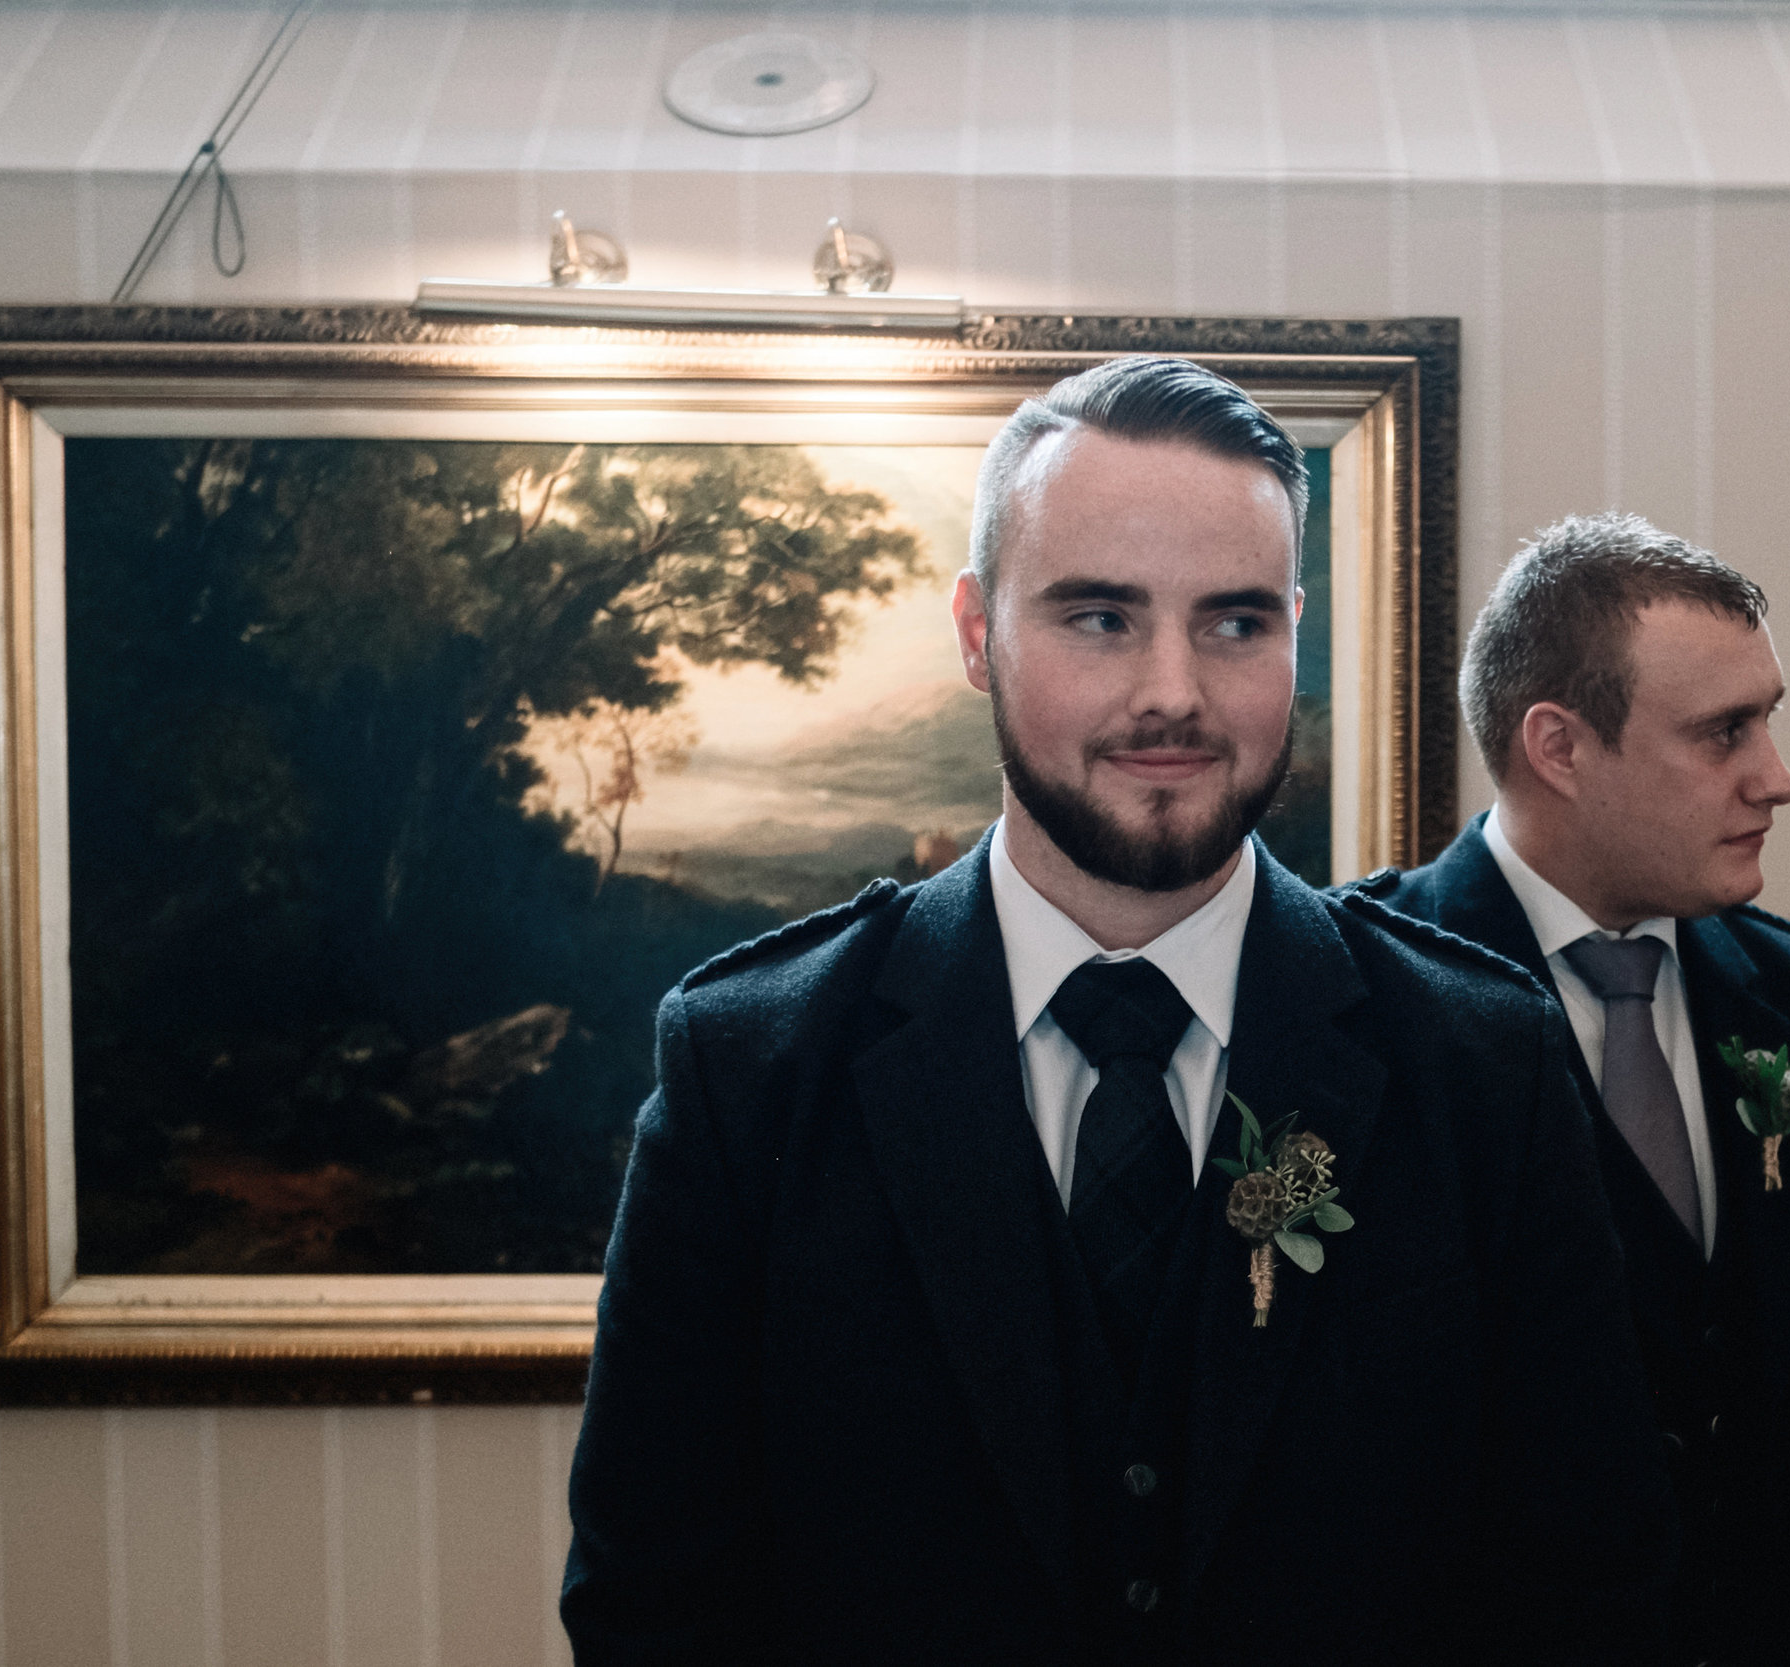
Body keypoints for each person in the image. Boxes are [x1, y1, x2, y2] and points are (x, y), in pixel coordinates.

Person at [562, 359, 1672, 1665]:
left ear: (1294, 632)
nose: (1173, 691)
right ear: (979, 633)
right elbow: (654, 1607)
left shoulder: (1483, 1057)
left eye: (1235, 622)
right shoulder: (750, 1066)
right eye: (1099, 617)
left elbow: (1587, 1591)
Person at [1348, 513, 1790, 1667]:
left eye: (1767, 720)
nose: (1777, 779)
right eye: (1723, 732)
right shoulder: (1351, 1007)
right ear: (1560, 746)